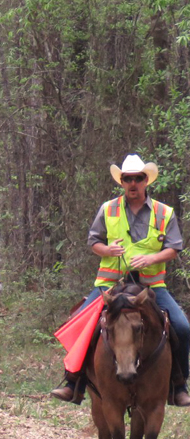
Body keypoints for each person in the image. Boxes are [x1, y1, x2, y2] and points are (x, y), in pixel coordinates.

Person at [50, 154, 190, 406]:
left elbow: (174, 247)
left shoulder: (164, 212)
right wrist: (107, 250)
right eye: (128, 179)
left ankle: (178, 385)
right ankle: (74, 382)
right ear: (122, 182)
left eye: (138, 178)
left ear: (146, 180)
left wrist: (151, 259)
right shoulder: (108, 208)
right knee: (80, 324)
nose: (133, 183)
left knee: (182, 327)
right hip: (109, 285)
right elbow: (94, 241)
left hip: (151, 287)